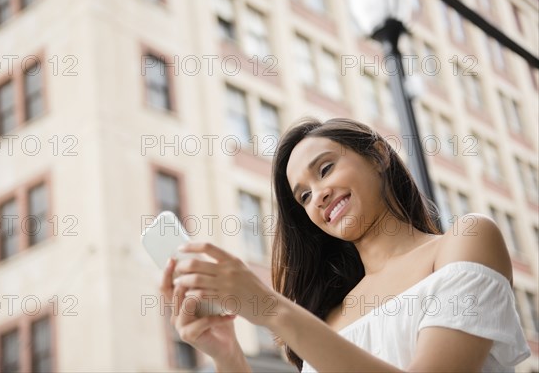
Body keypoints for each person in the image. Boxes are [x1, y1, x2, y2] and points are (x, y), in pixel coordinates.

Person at [160, 117, 531, 372]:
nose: (318, 196)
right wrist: (228, 356)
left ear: (378, 154)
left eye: (325, 170)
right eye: (304, 196)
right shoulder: (329, 319)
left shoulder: (464, 241)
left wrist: (273, 309)